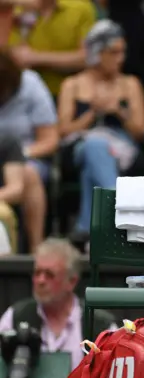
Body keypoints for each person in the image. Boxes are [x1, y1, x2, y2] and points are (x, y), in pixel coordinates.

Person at [57, 19, 144, 247]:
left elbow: (141, 133)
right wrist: (92, 113)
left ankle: (87, 231)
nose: (120, 58)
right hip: (80, 147)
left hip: (123, 151)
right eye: (113, 52)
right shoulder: (73, 84)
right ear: (97, 53)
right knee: (95, 146)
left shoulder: (130, 84)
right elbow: (63, 131)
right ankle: (119, 213)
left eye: (122, 52)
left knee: (93, 169)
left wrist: (119, 112)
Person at [0, 238, 117, 372]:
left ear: (71, 282)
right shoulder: (15, 316)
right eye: (37, 273)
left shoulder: (101, 325)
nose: (40, 281)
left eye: (49, 275)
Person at [0, 47, 58, 253]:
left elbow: (50, 140)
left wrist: (16, 155)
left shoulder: (30, 84)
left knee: (29, 172)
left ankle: (35, 249)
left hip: (25, 157)